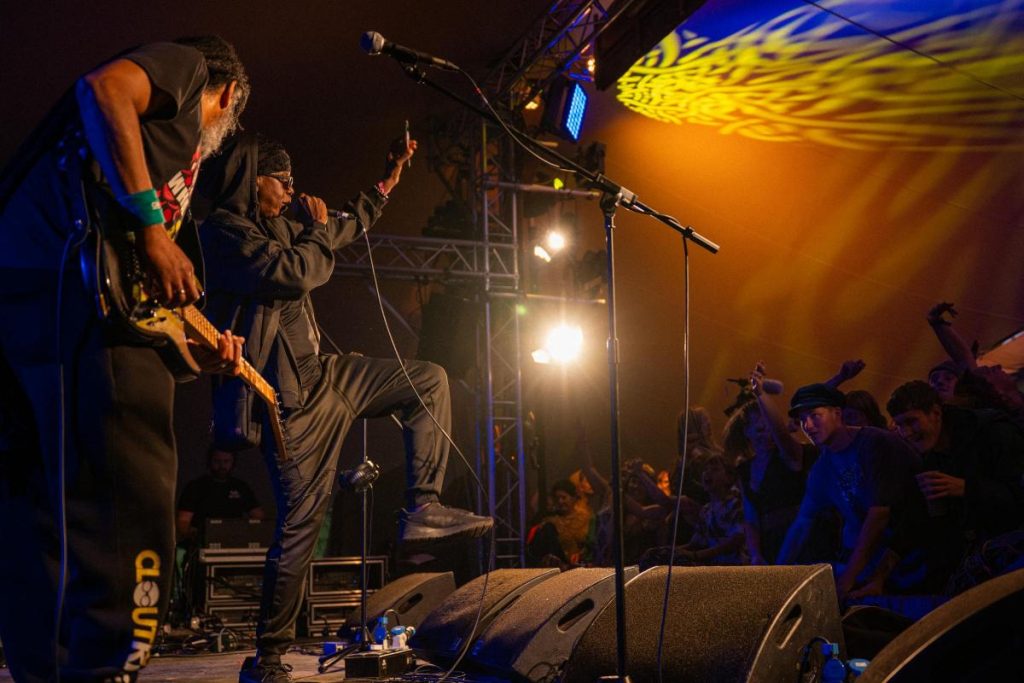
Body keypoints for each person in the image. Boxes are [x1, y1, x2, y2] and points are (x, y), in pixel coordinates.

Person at [195, 133, 493, 682]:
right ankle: (267, 658)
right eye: (283, 181)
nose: (291, 191)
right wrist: (314, 230)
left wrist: (386, 182)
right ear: (253, 179)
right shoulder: (225, 232)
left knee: (428, 378)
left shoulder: (284, 227)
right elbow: (295, 271)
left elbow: (342, 227)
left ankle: (422, 508)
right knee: (299, 531)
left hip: (328, 375)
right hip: (289, 404)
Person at [0, 37, 249, 681]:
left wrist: (197, 350)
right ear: (227, 95)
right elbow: (104, 87)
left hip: (36, 298)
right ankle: (112, 664)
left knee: (38, 502)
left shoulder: (128, 172)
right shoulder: (190, 67)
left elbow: (145, 299)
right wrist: (153, 228)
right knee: (135, 492)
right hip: (78, 297)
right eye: (228, 116)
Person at [776, 384, 921, 600]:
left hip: (913, 558)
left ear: (837, 413)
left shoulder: (874, 443)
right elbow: (802, 523)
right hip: (875, 567)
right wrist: (776, 575)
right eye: (802, 419)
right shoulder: (822, 468)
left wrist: (847, 580)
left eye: (815, 416)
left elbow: (879, 515)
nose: (808, 425)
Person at [176, 446, 265, 543]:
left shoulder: (241, 487)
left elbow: (259, 517)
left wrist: (247, 533)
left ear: (233, 463)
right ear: (209, 462)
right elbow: (183, 522)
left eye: (226, 461)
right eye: (217, 461)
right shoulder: (195, 487)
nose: (222, 466)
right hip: (203, 543)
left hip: (235, 542)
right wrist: (200, 534)